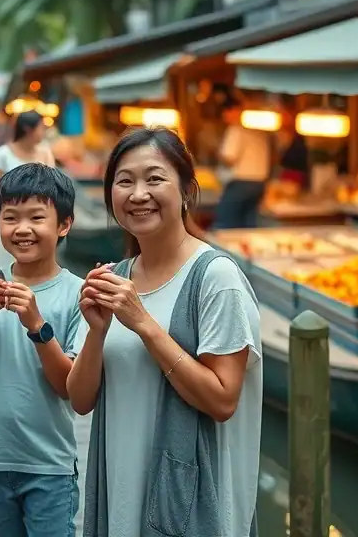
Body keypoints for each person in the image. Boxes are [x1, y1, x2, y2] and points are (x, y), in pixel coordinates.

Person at [66, 127, 262, 536]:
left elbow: (222, 399)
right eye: (124, 181)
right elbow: (81, 401)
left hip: (188, 502)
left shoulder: (215, 277)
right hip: (120, 493)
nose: (138, 194)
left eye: (154, 179)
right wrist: (97, 332)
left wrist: (143, 325)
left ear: (187, 191)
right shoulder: (116, 278)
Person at [0, 162, 86, 537]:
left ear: (64, 225)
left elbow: (69, 387)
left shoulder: (78, 294)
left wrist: (37, 326)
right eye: (10, 218)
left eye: (37, 217)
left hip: (49, 464)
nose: (22, 229)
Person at [0, 111, 56, 251]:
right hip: (15, 222)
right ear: (28, 129)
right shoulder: (3, 154)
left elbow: (53, 191)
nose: (44, 132)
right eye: (41, 128)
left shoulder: (46, 153)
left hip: (41, 219)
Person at [214, 98, 272, 229]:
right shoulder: (261, 130)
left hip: (240, 183)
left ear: (236, 111)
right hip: (260, 184)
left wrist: (217, 152)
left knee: (225, 224)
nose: (224, 116)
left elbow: (229, 157)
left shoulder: (236, 129)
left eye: (227, 112)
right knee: (249, 226)